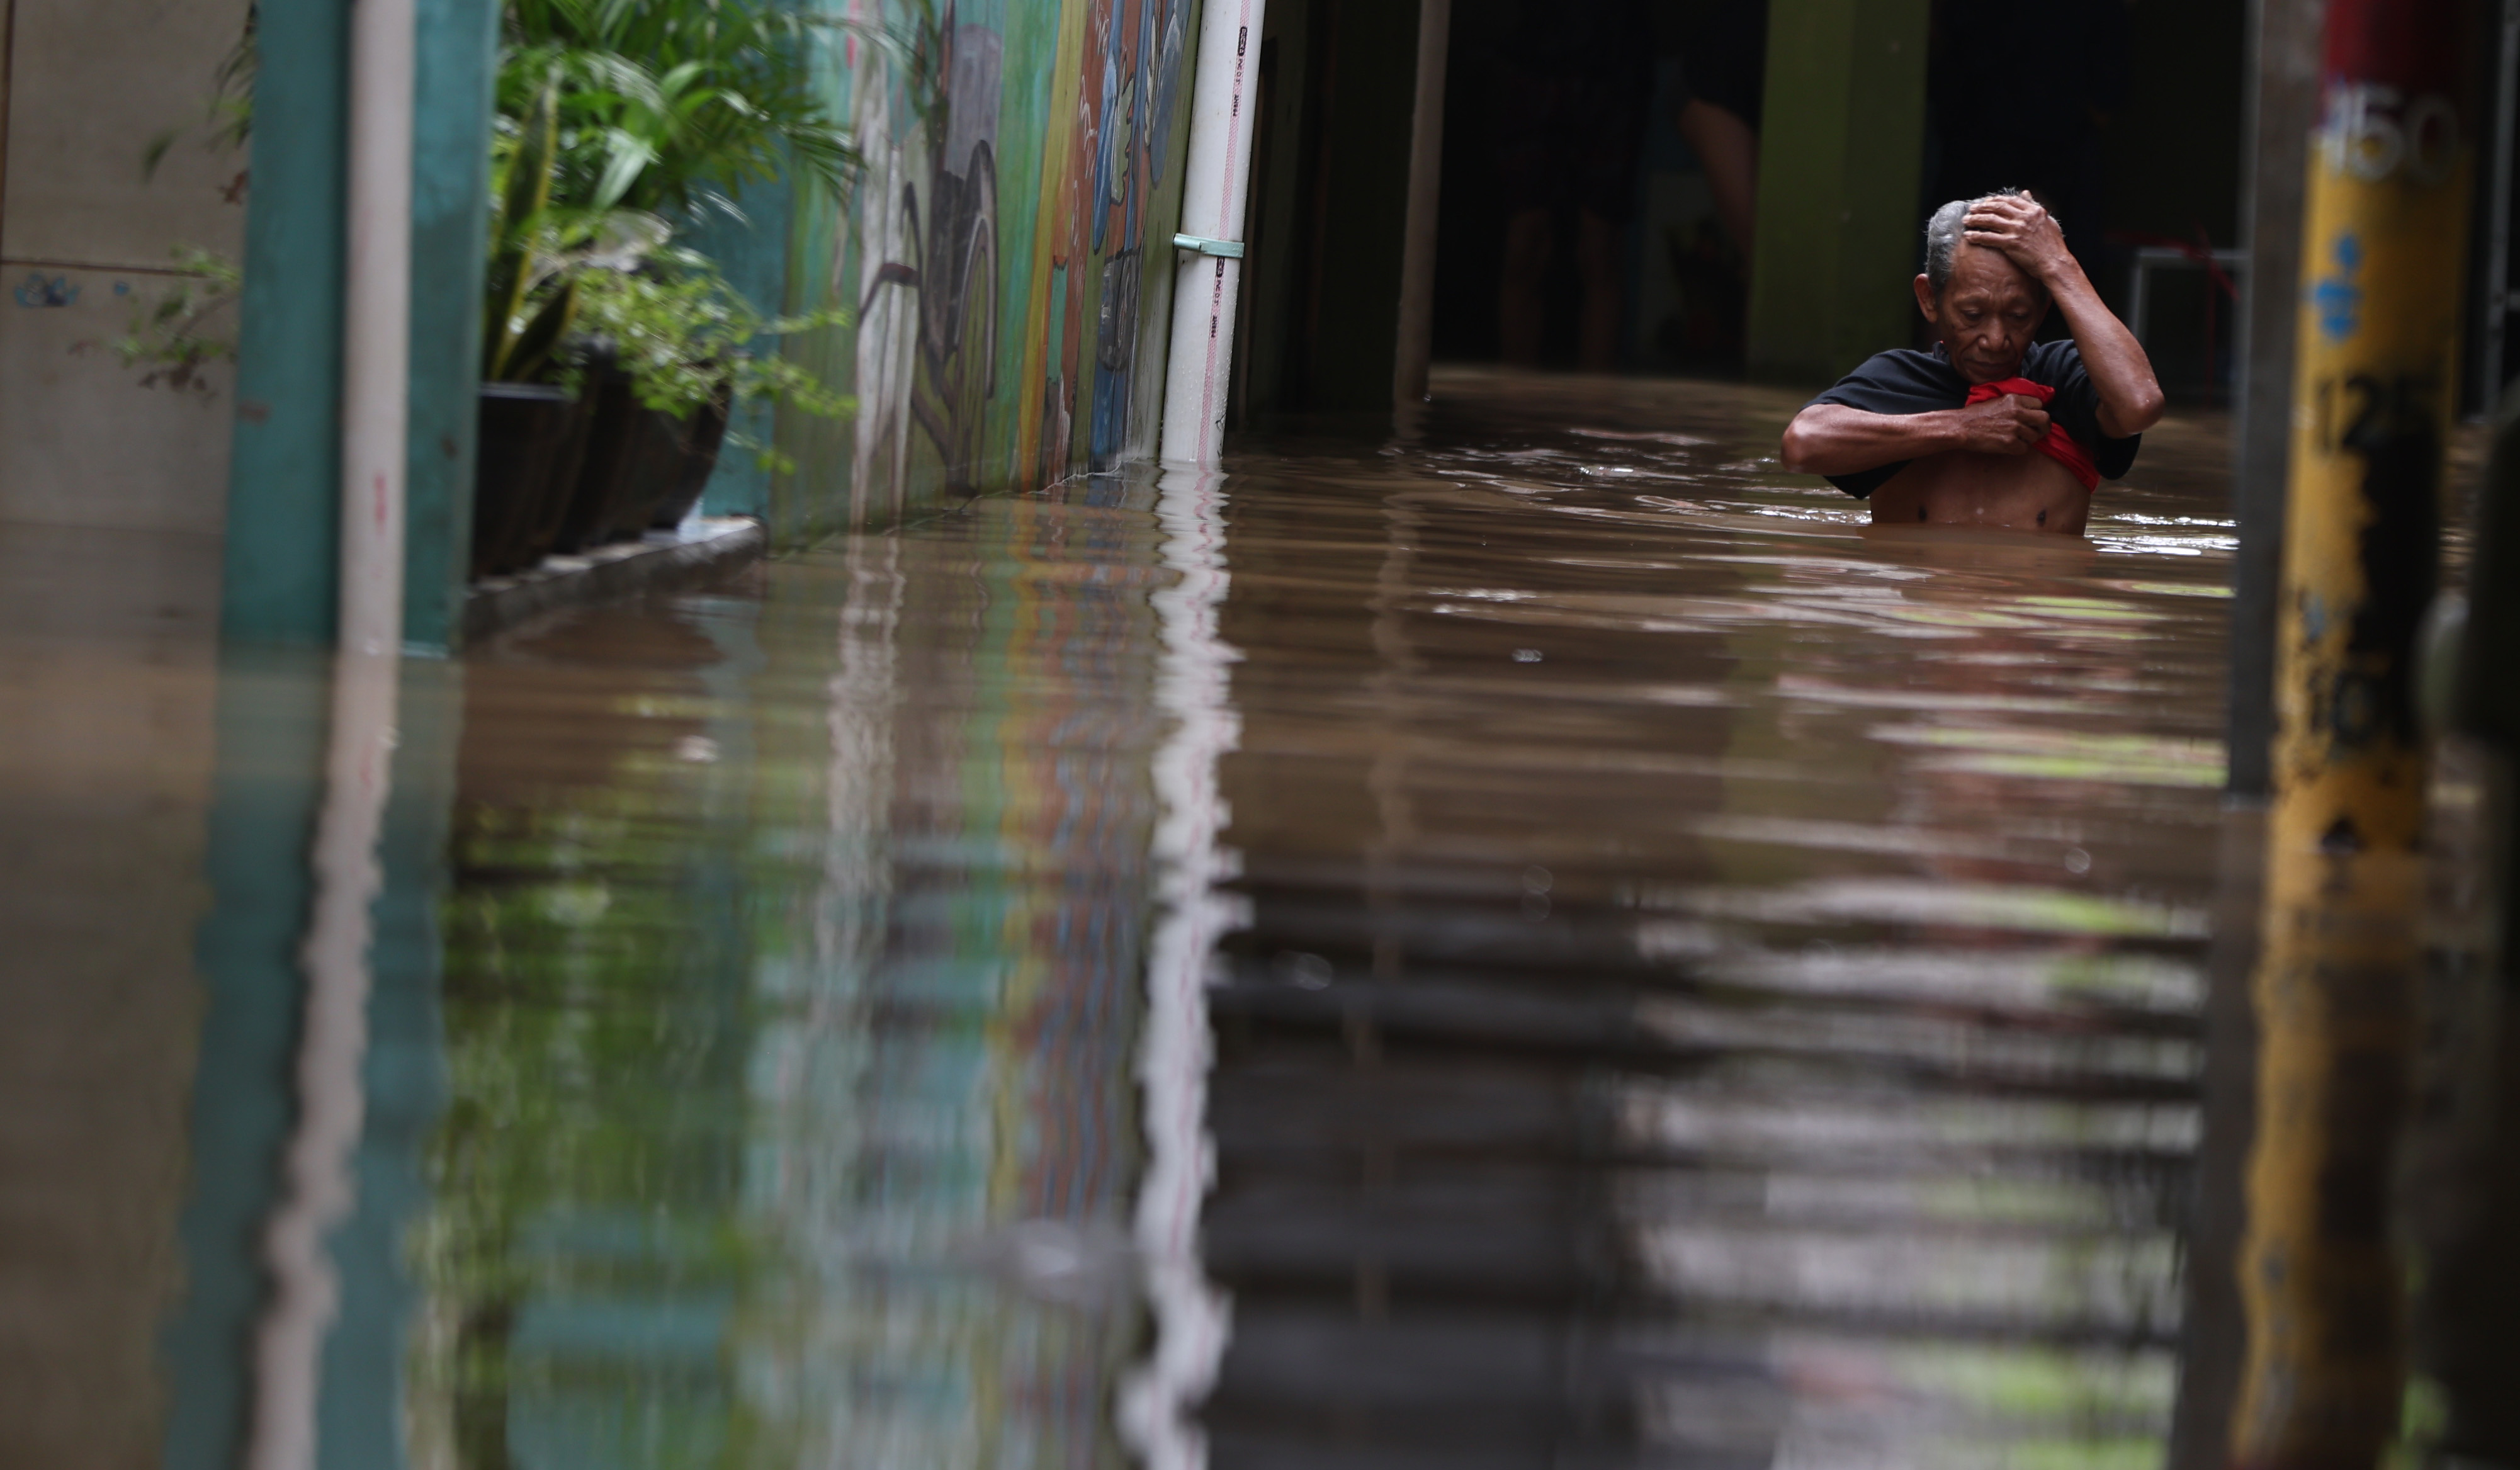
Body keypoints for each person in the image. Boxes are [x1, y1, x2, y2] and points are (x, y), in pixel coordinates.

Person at [1778, 191, 2164, 536]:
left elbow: (2140, 405)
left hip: (2033, 613)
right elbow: (1801, 445)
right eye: (1973, 314)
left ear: (2045, 308)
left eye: (2018, 316)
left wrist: (2060, 265)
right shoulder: (1900, 378)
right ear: (1930, 299)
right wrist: (1962, 427)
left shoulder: (2063, 375)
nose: (1995, 340)